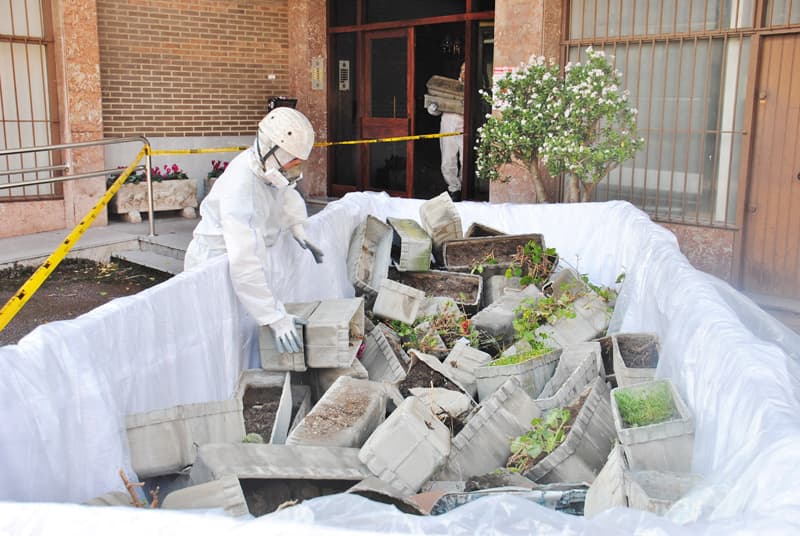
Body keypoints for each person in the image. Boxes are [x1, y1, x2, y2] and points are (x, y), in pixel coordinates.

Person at [184, 107, 324, 354]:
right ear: (271, 149)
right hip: (215, 266)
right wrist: (275, 317)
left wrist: (297, 225)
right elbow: (245, 262)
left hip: (240, 273)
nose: (294, 171)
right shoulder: (240, 188)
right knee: (220, 344)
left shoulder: (266, 169)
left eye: (298, 164)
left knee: (245, 332)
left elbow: (285, 193)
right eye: (291, 164)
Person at [427, 62, 465, 201]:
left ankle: (464, 188)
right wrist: (433, 107)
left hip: (465, 129)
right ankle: (454, 189)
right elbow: (435, 109)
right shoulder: (448, 88)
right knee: (448, 160)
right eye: (462, 70)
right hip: (448, 126)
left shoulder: (474, 88)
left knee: (465, 160)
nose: (464, 73)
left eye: (467, 70)